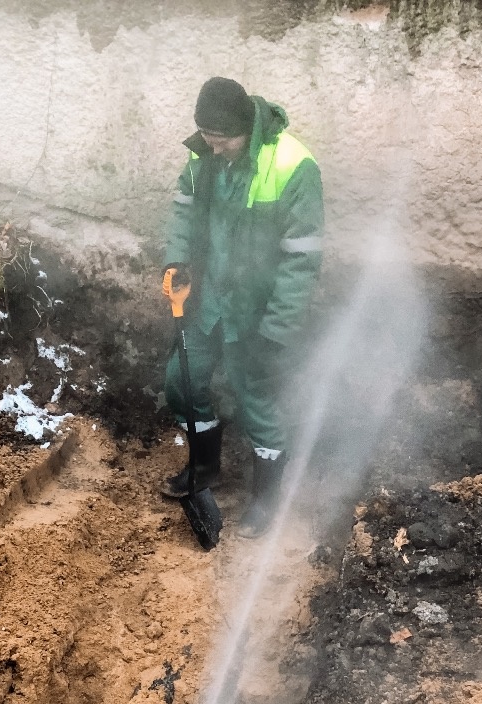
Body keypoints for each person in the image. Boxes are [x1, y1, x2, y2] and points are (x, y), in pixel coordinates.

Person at [160, 76, 324, 538]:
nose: (214, 148)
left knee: (254, 398)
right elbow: (183, 211)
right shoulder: (204, 154)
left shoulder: (294, 165)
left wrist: (277, 328)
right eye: (207, 139)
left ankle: (267, 498)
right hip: (208, 301)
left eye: (222, 139)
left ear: (246, 128)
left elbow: (303, 258)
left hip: (256, 310)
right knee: (181, 380)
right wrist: (176, 260)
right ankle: (205, 468)